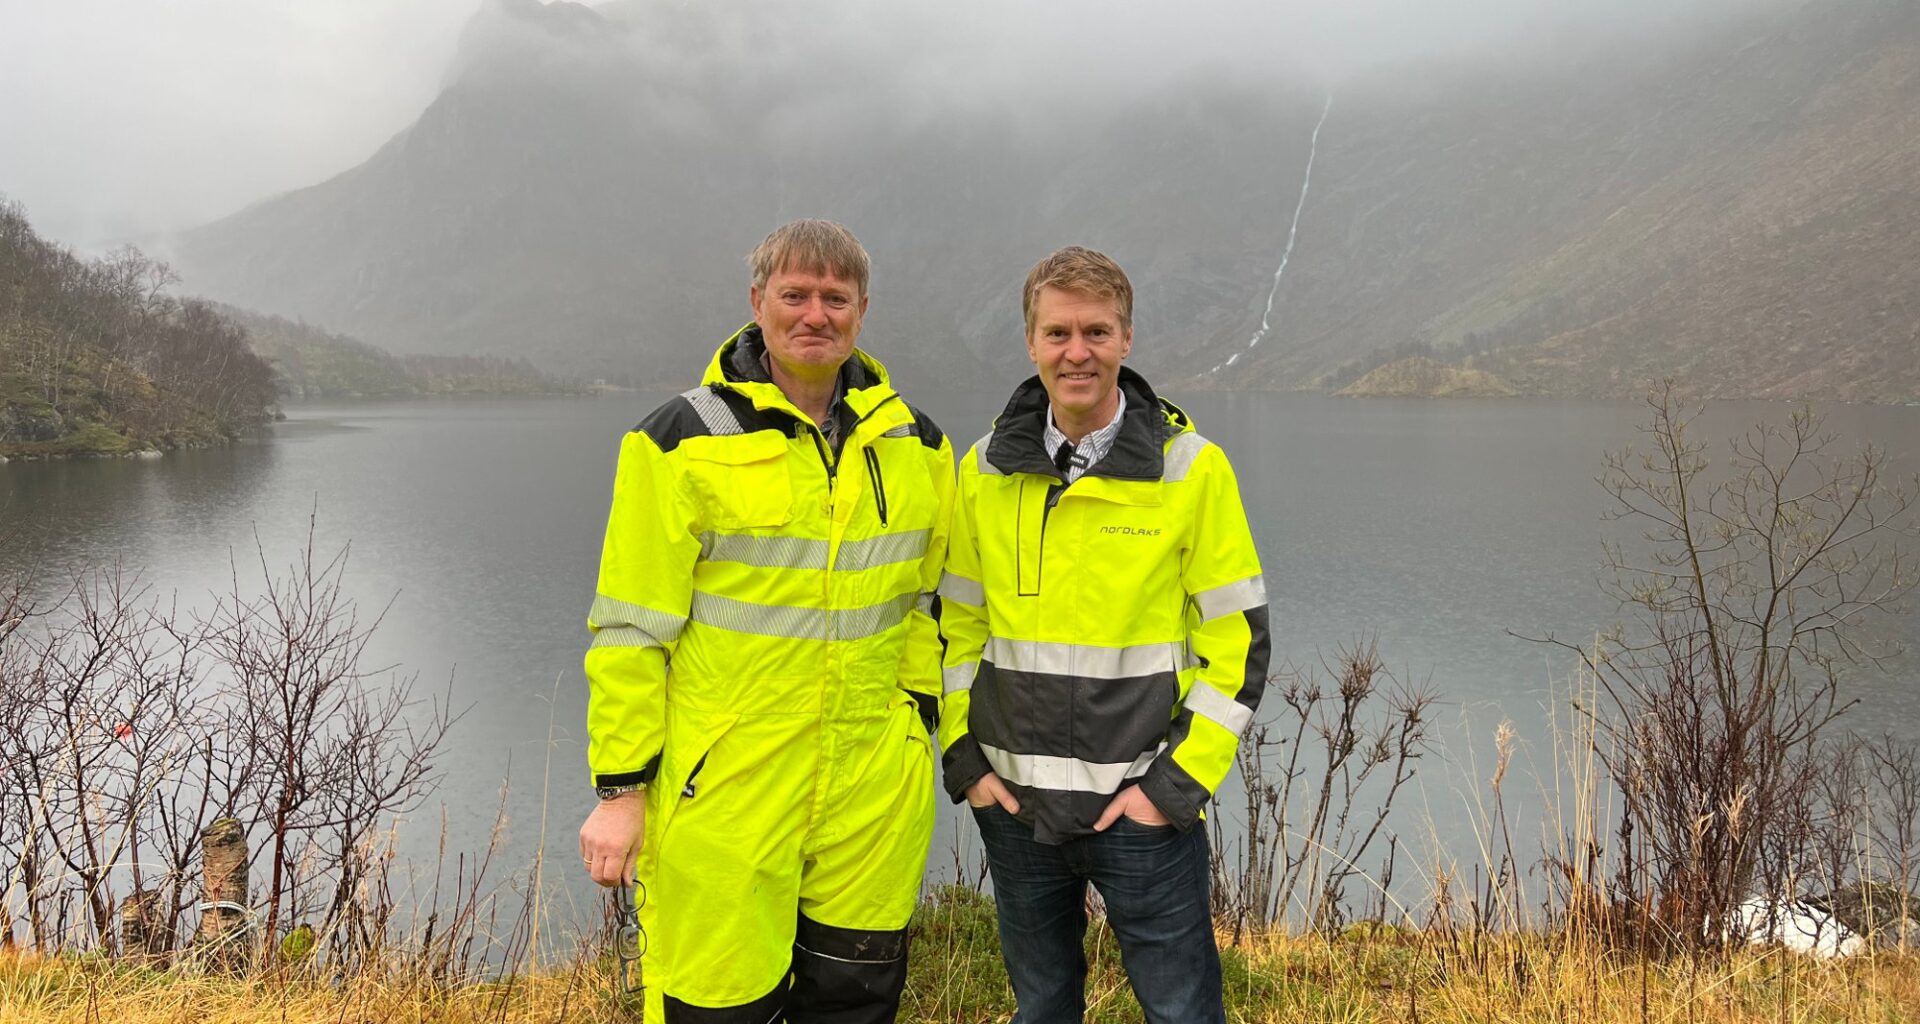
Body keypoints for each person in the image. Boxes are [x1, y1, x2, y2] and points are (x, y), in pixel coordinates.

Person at [578, 219, 954, 1023]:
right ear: (758, 303)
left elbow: (932, 605)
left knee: (853, 1004)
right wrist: (621, 789)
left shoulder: (918, 444)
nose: (815, 313)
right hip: (727, 794)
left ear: (861, 312)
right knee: (717, 1007)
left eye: (835, 297)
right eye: (795, 294)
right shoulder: (676, 442)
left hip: (871, 793)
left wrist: (915, 720)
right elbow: (630, 630)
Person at [936, 246, 1269, 1024]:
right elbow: (955, 627)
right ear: (1030, 342)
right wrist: (967, 763)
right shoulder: (983, 470)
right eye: (1057, 333)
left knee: (1182, 1010)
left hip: (1143, 807)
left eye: (1095, 331)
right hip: (1016, 810)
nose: (1076, 352)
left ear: (1126, 339)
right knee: (1043, 1006)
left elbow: (1239, 646)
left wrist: (1173, 790)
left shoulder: (1191, 471)